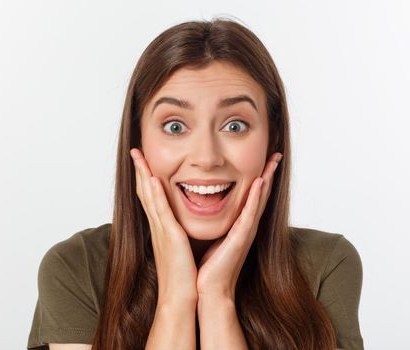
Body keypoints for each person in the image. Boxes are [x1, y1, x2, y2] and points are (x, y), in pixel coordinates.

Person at [27, 18, 364, 350]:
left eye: (235, 126)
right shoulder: (77, 268)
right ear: (138, 138)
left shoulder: (325, 265)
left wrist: (217, 298)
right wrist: (176, 296)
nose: (206, 158)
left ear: (272, 136)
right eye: (175, 127)